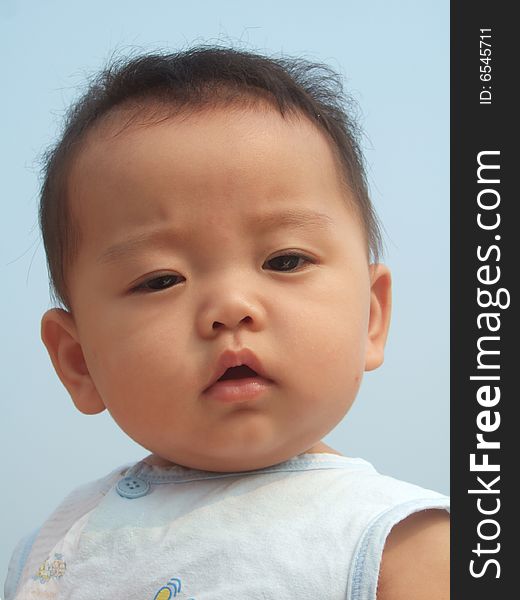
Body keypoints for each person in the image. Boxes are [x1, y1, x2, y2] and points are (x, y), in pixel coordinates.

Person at [4, 46, 449, 600]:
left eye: (285, 261)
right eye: (160, 280)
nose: (231, 306)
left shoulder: (400, 544)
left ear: (371, 318)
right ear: (78, 361)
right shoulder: (54, 544)